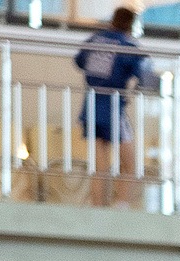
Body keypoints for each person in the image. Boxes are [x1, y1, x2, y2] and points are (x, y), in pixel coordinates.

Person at [74, 8, 148, 203]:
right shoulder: (128, 45)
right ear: (131, 25)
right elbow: (144, 74)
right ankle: (122, 206)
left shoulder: (94, 39)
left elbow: (80, 61)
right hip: (113, 107)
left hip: (91, 105)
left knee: (100, 164)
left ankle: (98, 207)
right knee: (130, 164)